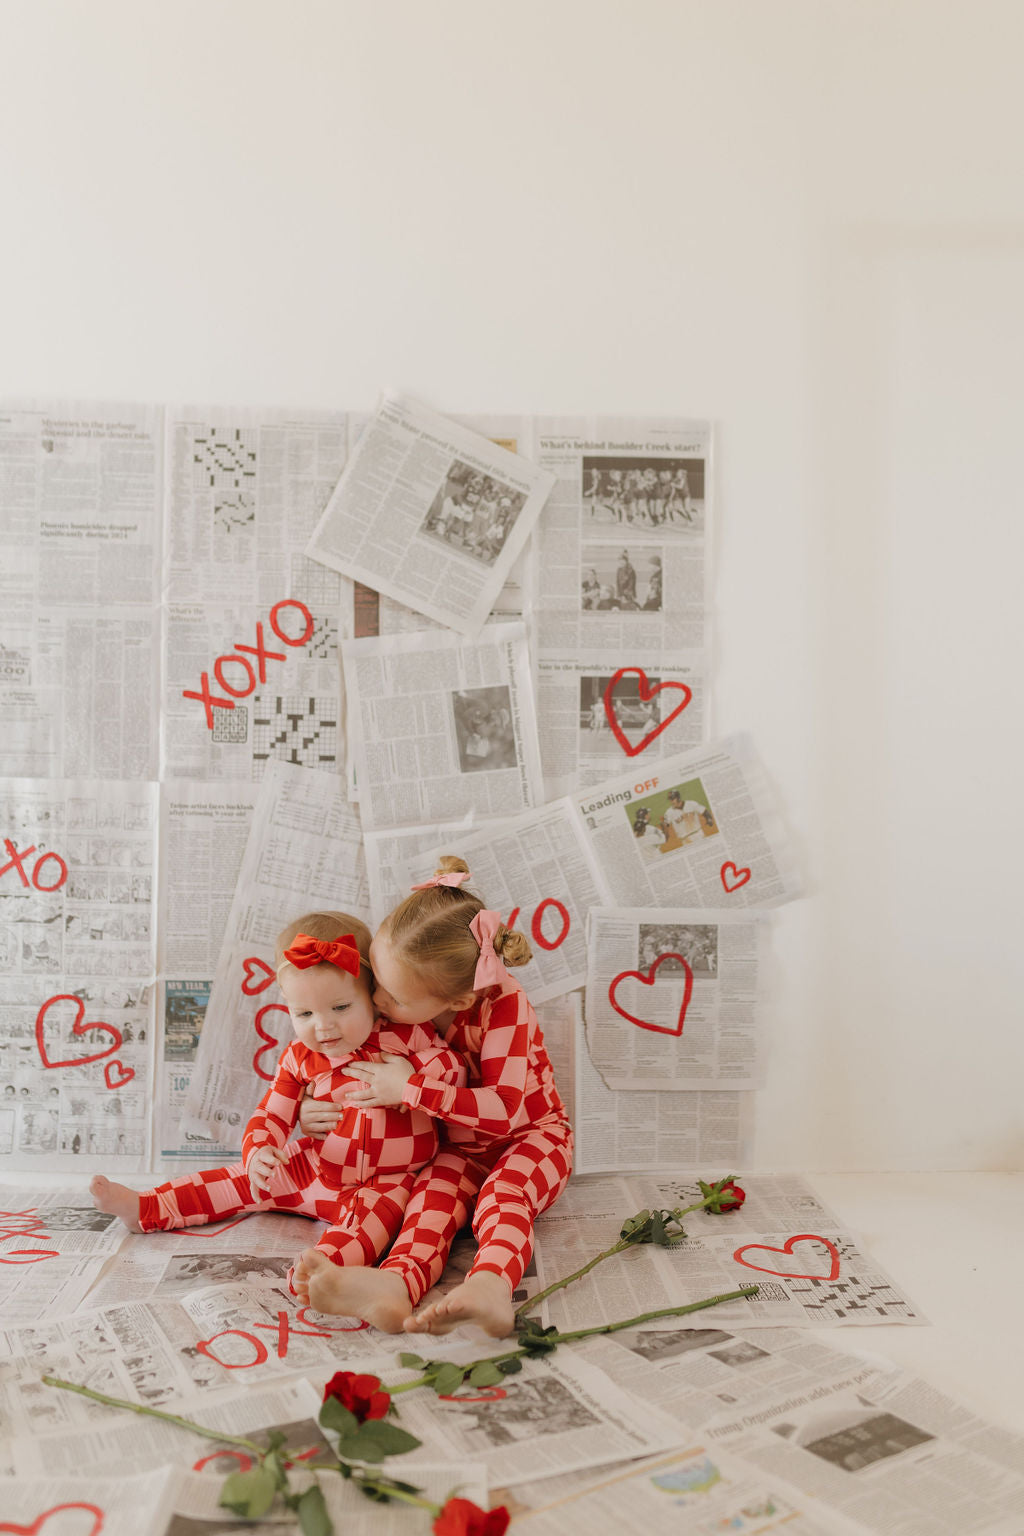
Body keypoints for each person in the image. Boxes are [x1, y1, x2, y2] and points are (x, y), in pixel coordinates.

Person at [90, 911, 464, 1282]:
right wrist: (260, 1150)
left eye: (341, 1007)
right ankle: (147, 1207)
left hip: (388, 1178)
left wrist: (413, 1083)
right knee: (239, 1181)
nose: (323, 1025)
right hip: (315, 1167)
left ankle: (325, 1270)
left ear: (372, 996)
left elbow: (451, 1067)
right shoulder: (300, 1058)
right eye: (304, 1012)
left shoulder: (404, 1037)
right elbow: (272, 1113)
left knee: (368, 1222)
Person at [292, 859, 573, 1339]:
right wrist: (309, 1105)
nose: (377, 1002)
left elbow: (503, 1113)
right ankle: (394, 1285)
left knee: (502, 1196)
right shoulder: (406, 991)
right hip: (458, 1149)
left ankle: (489, 1287)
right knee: (429, 1206)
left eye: (392, 997)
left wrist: (410, 1089)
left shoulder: (505, 1007)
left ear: (457, 1001)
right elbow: (343, 1058)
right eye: (376, 981)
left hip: (529, 1139)